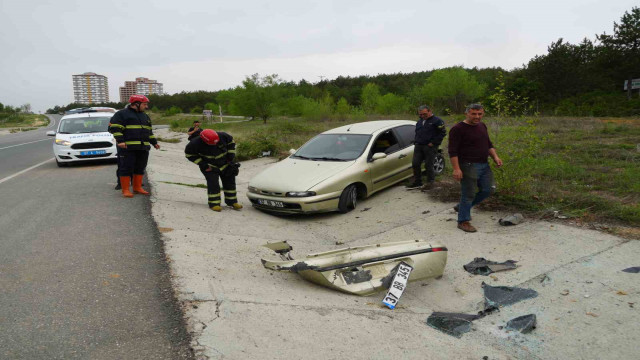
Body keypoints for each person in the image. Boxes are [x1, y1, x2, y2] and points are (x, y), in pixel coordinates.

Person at [448, 104, 503, 232]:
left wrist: (495, 157)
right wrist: (456, 169)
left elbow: (488, 144)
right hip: (467, 165)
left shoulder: (482, 126)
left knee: (488, 190)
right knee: (469, 193)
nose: (477, 117)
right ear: (467, 113)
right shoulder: (458, 129)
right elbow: (453, 151)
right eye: (474, 114)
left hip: (484, 164)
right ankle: (463, 221)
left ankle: (462, 207)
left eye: (480, 114)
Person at [108, 95, 160, 198]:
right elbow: (115, 128)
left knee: (140, 168)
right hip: (128, 148)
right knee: (126, 168)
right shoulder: (121, 114)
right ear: (136, 104)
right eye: (145, 104)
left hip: (143, 147)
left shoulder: (145, 116)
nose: (146, 106)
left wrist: (154, 142)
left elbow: (149, 131)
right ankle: (126, 190)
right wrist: (121, 141)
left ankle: (137, 188)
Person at [185, 129, 242, 212]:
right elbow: (189, 154)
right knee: (213, 184)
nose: (215, 144)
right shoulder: (194, 143)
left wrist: (231, 155)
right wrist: (203, 165)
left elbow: (231, 143)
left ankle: (232, 202)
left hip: (226, 163)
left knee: (230, 183)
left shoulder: (223, 136)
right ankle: (214, 204)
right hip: (210, 166)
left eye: (216, 142)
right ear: (204, 140)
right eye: (212, 143)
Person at [405, 105, 447, 190]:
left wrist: (433, 143)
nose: (423, 116)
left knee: (428, 165)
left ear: (430, 111)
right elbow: (418, 132)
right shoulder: (420, 121)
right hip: (419, 146)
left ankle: (430, 183)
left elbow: (442, 133)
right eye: (420, 114)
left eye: (424, 114)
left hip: (430, 147)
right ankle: (418, 182)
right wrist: (416, 141)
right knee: (415, 164)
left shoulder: (437, 121)